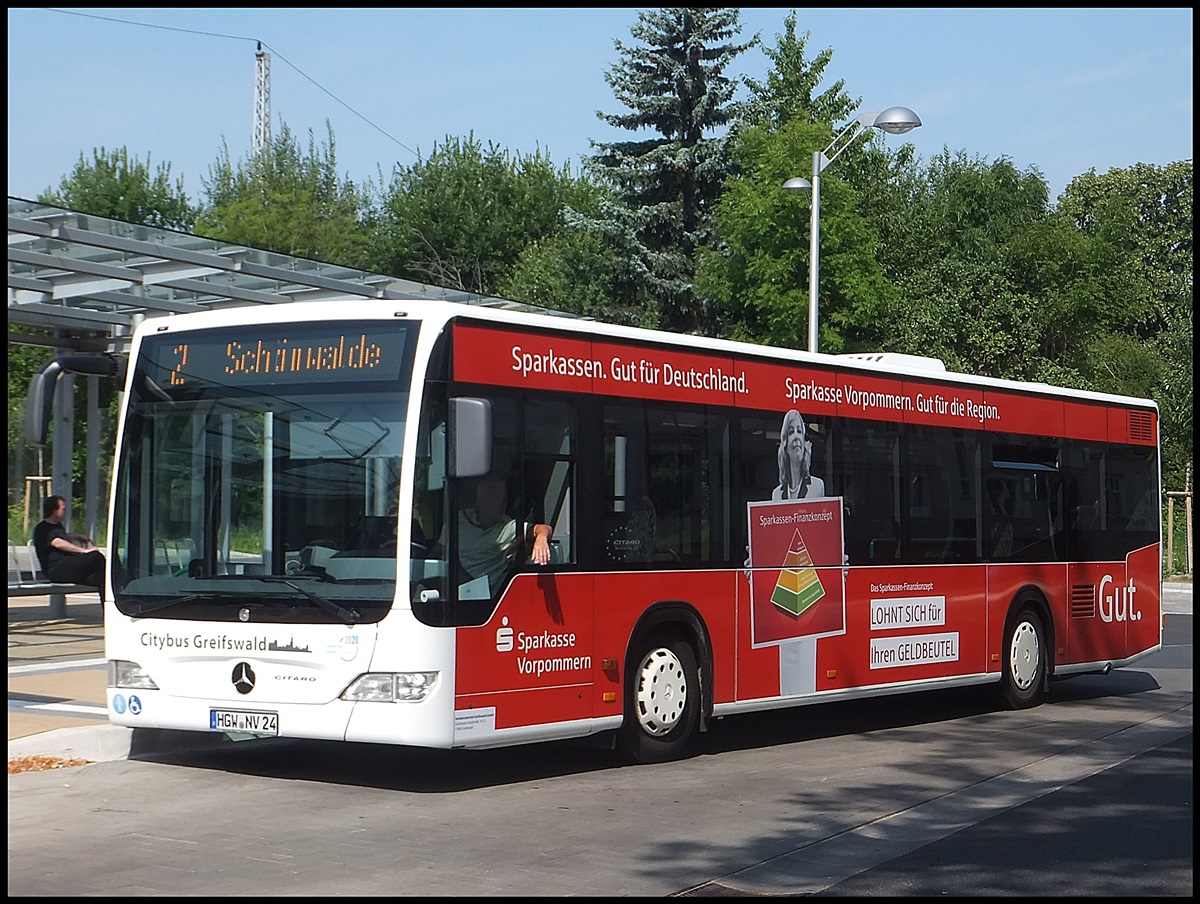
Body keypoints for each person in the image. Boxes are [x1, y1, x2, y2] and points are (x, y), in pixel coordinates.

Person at [436, 476, 551, 595]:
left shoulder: (509, 527)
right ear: (480, 501)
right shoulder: (458, 520)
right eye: (495, 500)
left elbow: (544, 528)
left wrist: (541, 538)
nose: (502, 505)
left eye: (504, 500)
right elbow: (439, 552)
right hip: (453, 586)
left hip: (488, 593)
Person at [31, 495, 106, 602]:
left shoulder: (57, 526)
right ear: (54, 511)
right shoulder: (42, 529)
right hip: (57, 570)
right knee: (95, 556)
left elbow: (62, 535)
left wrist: (77, 536)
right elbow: (58, 543)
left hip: (67, 569)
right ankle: (121, 574)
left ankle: (108, 610)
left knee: (102, 578)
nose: (65, 512)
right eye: (63, 509)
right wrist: (83, 551)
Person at [772, 409, 826, 500]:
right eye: (791, 432)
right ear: (785, 446)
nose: (796, 436)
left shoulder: (817, 486)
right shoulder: (777, 494)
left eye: (799, 431)